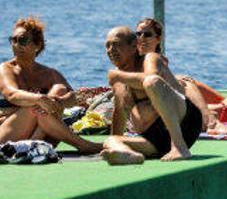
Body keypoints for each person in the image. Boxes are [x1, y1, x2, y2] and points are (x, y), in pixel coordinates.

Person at [100, 26, 202, 164]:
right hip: (155, 140)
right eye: (107, 45)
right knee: (111, 140)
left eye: (117, 44)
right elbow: (120, 114)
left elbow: (151, 78)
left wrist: (118, 75)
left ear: (134, 45)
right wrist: (115, 145)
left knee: (151, 81)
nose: (111, 50)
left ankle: (179, 147)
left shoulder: (150, 58)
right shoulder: (118, 80)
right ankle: (129, 155)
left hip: (184, 123)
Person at [0, 17, 102, 153]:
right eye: (13, 40)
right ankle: (83, 145)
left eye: (22, 40)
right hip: (8, 134)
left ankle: (32, 145)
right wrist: (39, 99)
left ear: (37, 45)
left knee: (59, 90)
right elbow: (12, 94)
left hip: (44, 135)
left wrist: (59, 102)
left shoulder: (49, 73)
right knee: (34, 108)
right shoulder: (6, 69)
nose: (16, 45)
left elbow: (74, 97)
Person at [133, 17, 227, 133]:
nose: (141, 38)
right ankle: (210, 120)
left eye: (147, 34)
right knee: (188, 85)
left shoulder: (160, 60)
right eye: (138, 34)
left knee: (188, 83)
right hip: (145, 108)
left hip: (163, 104)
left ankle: (209, 117)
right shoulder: (131, 60)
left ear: (158, 39)